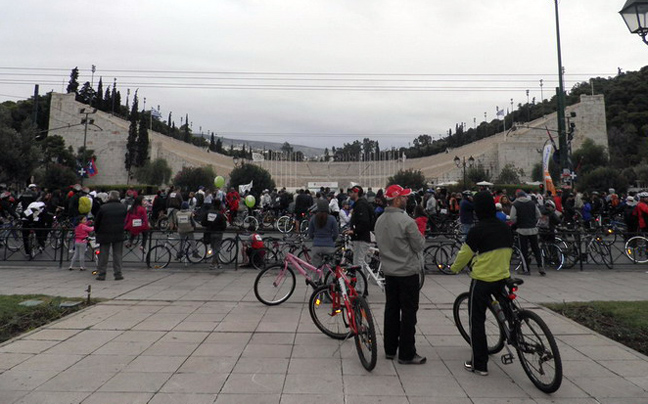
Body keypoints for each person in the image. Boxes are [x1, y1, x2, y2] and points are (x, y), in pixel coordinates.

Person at [450, 191, 514, 376]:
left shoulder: (477, 230)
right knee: (507, 309)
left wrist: (454, 268)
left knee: (477, 320)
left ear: (478, 209)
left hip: (483, 279)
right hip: (502, 276)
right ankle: (515, 334)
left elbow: (464, 254)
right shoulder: (505, 227)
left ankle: (480, 364)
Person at [374, 184, 426, 365]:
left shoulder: (379, 220)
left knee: (391, 310)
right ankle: (406, 353)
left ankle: (390, 349)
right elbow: (419, 246)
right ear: (396, 200)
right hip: (407, 272)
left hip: (389, 271)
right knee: (409, 313)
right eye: (404, 197)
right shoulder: (407, 222)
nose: (406, 200)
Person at [510, 190, 545, 276]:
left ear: (518, 196)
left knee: (523, 250)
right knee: (536, 249)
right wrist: (532, 221)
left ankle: (526, 269)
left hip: (522, 229)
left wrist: (517, 222)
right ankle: (540, 266)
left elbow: (512, 218)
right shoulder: (532, 203)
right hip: (533, 229)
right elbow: (538, 215)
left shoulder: (516, 205)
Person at [94, 190, 128, 281]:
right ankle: (118, 274)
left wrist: (97, 231)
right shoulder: (123, 207)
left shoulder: (103, 207)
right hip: (118, 233)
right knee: (117, 254)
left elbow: (97, 222)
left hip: (104, 233)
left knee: (103, 254)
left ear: (109, 197)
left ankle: (102, 274)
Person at [347, 186, 373, 269]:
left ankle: (361, 282)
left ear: (356, 193)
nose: (349, 194)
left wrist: (354, 231)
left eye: (351, 192)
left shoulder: (360, 205)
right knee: (361, 263)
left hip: (360, 238)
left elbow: (364, 222)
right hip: (361, 237)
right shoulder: (360, 204)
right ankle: (363, 281)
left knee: (358, 264)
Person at [308, 199, 339, 268]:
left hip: (316, 245)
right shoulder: (332, 218)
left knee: (316, 269)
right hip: (329, 245)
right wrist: (331, 239)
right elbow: (336, 233)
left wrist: (315, 238)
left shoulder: (313, 218)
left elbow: (310, 233)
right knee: (328, 270)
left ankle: (316, 279)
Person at [201, 200, 227, 269]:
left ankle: (217, 263)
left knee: (214, 248)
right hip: (218, 233)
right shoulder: (220, 214)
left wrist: (209, 225)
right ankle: (213, 264)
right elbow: (224, 225)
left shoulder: (208, 212)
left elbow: (203, 222)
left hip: (209, 232)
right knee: (216, 248)